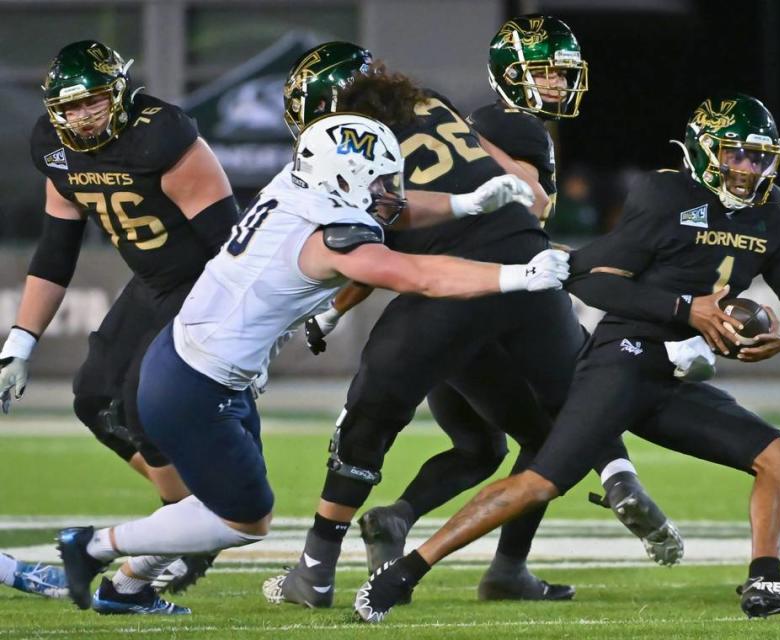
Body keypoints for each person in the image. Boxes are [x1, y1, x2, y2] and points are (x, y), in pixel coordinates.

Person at [352, 94, 780, 623]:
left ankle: (764, 581)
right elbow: (588, 276)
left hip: (674, 376)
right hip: (624, 360)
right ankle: (401, 574)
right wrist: (684, 309)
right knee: (540, 482)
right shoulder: (666, 195)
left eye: (758, 157)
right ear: (704, 152)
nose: (748, 168)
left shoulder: (771, 211)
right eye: (735, 154)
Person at [52, 111, 570, 614]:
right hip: (195, 385)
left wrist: (464, 203)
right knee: (244, 520)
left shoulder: (296, 184)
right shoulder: (331, 238)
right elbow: (421, 276)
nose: (391, 192)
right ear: (347, 180)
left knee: (221, 500)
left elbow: (394, 208)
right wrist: (515, 276)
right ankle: (92, 547)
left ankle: (128, 587)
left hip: (193, 363)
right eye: (381, 182)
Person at [266, 42, 679, 610]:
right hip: (527, 270)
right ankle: (600, 488)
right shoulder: (433, 103)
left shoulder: (346, 140)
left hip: (453, 283)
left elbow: (379, 227)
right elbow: (527, 195)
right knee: (564, 419)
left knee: (370, 416)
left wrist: (327, 307)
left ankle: (315, 568)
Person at [0, 40, 240, 611]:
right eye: (70, 106)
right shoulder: (55, 149)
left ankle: (188, 528)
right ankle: (187, 522)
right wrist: (21, 342)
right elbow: (57, 250)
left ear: (121, 93)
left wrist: (245, 332)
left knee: (143, 404)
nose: (82, 117)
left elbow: (232, 249)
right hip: (150, 283)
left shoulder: (163, 137)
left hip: (203, 282)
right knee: (93, 400)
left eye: (93, 102)